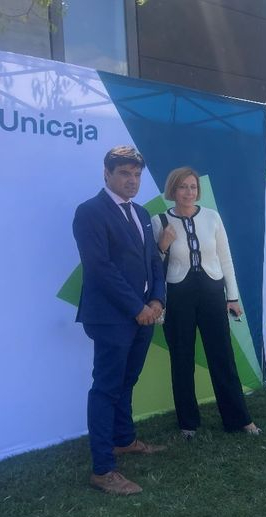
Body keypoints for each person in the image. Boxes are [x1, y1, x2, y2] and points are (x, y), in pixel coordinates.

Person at [72, 146, 166, 495]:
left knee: (128, 380)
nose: (132, 180)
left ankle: (123, 440)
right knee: (106, 388)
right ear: (107, 174)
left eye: (137, 174)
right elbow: (100, 269)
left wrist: (156, 300)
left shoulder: (141, 213)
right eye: (125, 173)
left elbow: (154, 261)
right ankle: (103, 469)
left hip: (144, 314)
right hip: (113, 318)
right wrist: (136, 308)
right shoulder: (89, 212)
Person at [152, 167, 260, 439]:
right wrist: (162, 246)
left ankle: (239, 419)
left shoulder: (212, 217)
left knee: (222, 357)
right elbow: (153, 266)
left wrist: (232, 297)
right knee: (182, 359)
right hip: (178, 296)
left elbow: (226, 260)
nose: (189, 192)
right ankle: (188, 424)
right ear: (172, 190)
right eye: (182, 187)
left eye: (193, 187)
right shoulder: (160, 221)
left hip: (212, 293)